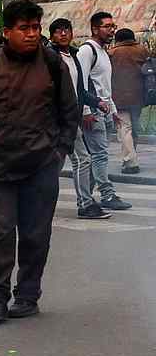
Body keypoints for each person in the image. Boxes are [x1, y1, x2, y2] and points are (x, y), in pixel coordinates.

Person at [0, 0, 80, 325]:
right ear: (7, 32)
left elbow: (69, 111)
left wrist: (60, 152)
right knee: (1, 233)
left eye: (35, 27)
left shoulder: (52, 63)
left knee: (36, 235)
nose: (32, 34)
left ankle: (27, 296)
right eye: (24, 28)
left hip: (42, 165)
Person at [46, 18, 111, 220]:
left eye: (66, 30)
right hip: (58, 118)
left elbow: (79, 89)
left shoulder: (73, 55)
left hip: (71, 117)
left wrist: (96, 102)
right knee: (81, 159)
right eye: (58, 31)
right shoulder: (48, 57)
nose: (63, 34)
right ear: (52, 36)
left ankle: (38, 202)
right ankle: (85, 204)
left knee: (58, 162)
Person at [76, 12, 133, 211]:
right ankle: (107, 195)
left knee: (96, 155)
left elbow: (104, 86)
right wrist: (85, 110)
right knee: (99, 155)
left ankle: (87, 197)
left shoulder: (103, 51)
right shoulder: (87, 51)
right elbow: (80, 84)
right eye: (107, 26)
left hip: (104, 110)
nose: (111, 30)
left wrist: (113, 110)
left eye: (112, 26)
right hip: (92, 111)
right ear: (94, 29)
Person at [110, 28, 147, 175]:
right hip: (139, 97)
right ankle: (131, 158)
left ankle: (131, 162)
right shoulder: (142, 50)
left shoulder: (112, 53)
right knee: (134, 129)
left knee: (125, 129)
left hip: (119, 97)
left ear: (118, 39)